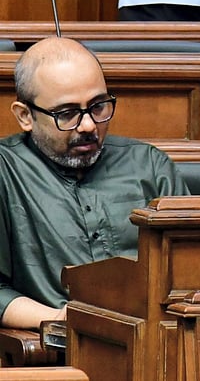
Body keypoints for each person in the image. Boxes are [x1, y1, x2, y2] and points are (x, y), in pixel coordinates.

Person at [0, 37, 189, 330]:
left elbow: (192, 270)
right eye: (67, 114)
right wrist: (61, 320)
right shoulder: (6, 170)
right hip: (57, 354)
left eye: (98, 106)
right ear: (25, 116)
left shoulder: (149, 165)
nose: (88, 125)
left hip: (156, 342)